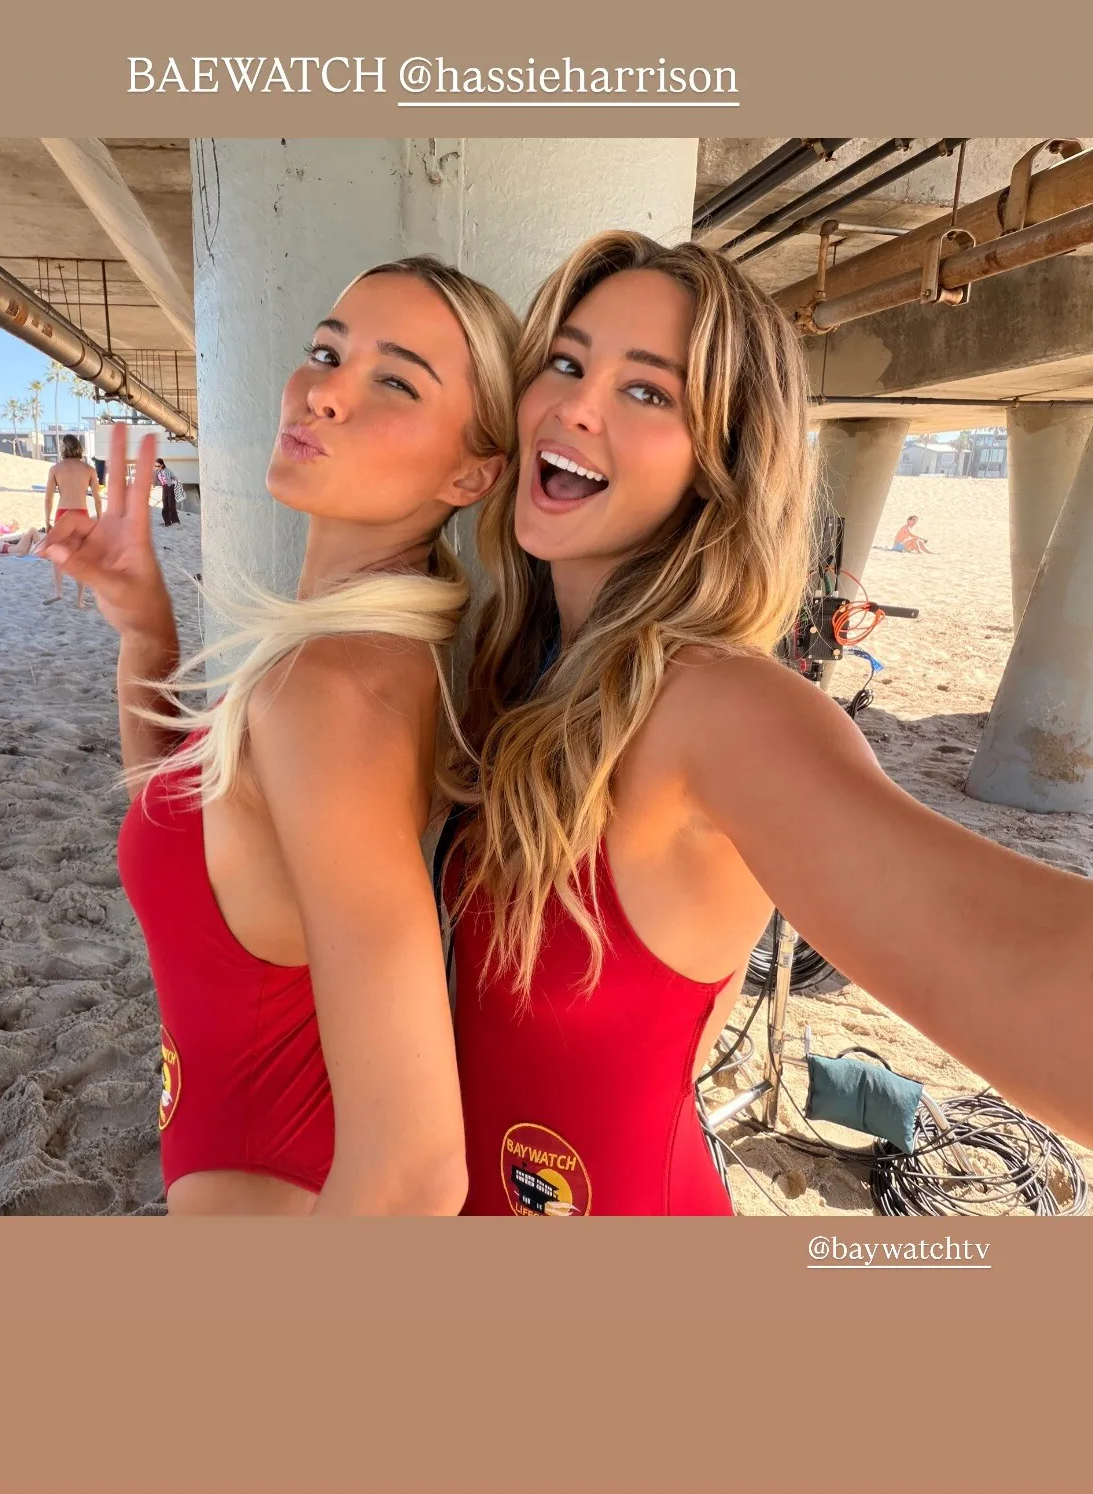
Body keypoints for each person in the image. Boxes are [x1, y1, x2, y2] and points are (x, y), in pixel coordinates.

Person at [440, 230, 1093, 1214]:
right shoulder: (517, 667)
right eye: (566, 365)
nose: (575, 406)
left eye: (647, 391)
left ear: (720, 464)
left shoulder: (720, 708)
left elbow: (1033, 976)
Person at [44, 257, 516, 1215]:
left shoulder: (328, 692)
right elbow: (205, 842)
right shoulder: (341, 660)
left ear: (471, 472)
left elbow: (417, 1172)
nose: (324, 392)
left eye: (395, 380)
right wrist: (146, 634)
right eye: (327, 353)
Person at [40, 434, 103, 606]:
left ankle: (58, 592)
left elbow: (48, 498)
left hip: (63, 513)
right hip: (81, 514)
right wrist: (100, 518)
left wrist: (47, 521)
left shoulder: (55, 469)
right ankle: (79, 600)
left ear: (63, 448)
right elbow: (97, 499)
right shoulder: (89, 469)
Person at [155, 457, 181, 527]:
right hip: (164, 488)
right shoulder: (157, 472)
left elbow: (173, 477)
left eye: (158, 466)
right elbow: (157, 480)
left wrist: (176, 481)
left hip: (170, 487)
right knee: (164, 505)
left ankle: (175, 520)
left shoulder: (167, 470)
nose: (157, 467)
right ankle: (167, 522)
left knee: (171, 504)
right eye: (155, 466)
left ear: (162, 465)